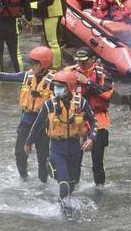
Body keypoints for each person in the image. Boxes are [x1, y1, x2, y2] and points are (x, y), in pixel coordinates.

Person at [0, 46, 55, 182]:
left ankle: (43, 184)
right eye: (31, 63)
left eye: (35, 63)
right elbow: (5, 77)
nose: (31, 66)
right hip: (27, 122)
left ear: (44, 64)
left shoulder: (55, 81)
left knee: (43, 158)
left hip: (43, 126)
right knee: (20, 154)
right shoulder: (27, 76)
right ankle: (24, 179)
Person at [25, 70, 97, 209]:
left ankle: (67, 205)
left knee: (72, 184)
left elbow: (94, 122)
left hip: (76, 149)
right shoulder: (49, 104)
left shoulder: (81, 103)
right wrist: (28, 143)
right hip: (57, 149)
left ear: (69, 87)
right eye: (56, 86)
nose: (57, 89)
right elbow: (37, 125)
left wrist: (91, 139)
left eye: (61, 86)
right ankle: (63, 215)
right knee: (63, 186)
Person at [63, 48, 113, 186]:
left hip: (99, 118)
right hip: (79, 119)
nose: (81, 64)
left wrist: (87, 82)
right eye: (78, 61)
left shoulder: (102, 73)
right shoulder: (72, 72)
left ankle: (100, 188)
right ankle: (73, 187)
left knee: (97, 162)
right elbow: (59, 80)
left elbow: (107, 93)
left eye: (84, 61)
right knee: (74, 159)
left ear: (92, 60)